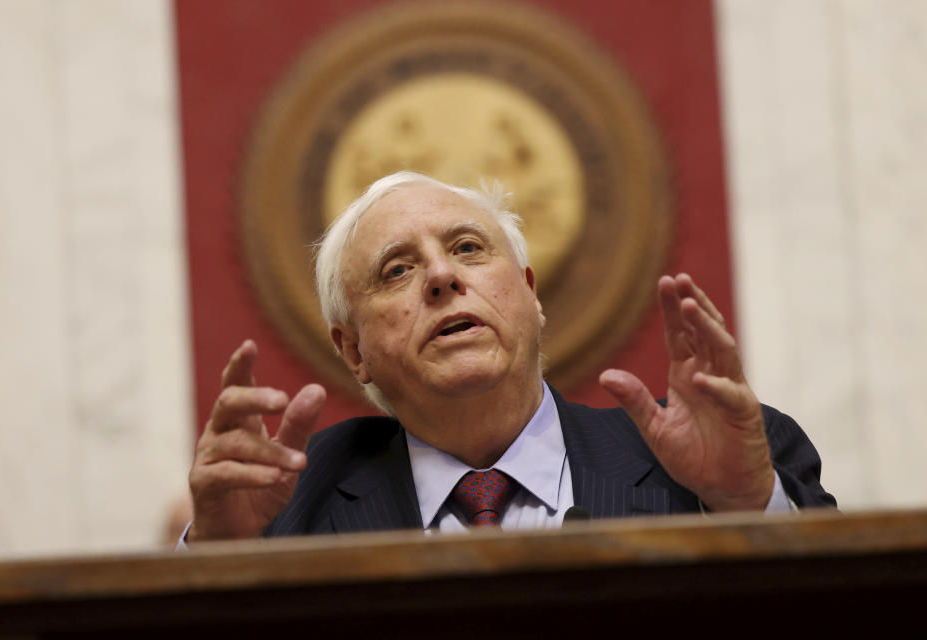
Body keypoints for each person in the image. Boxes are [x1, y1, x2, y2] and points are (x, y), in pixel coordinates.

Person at [184, 172, 834, 543]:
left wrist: (750, 507)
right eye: (398, 269)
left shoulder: (711, 467)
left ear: (529, 295)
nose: (441, 277)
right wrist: (220, 562)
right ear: (353, 350)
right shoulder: (291, 506)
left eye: (468, 248)